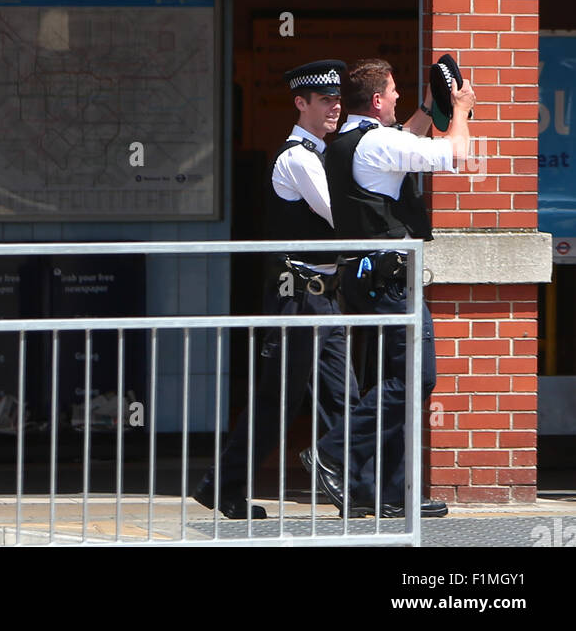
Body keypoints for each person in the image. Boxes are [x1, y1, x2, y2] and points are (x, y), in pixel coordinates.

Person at [303, 57, 474, 520]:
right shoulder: (378, 142)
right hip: (390, 282)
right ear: (377, 101)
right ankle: (332, 452)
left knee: (388, 382)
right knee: (417, 378)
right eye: (395, 92)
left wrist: (424, 107)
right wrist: (458, 109)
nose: (398, 97)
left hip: (365, 281)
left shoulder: (350, 142)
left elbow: (403, 143)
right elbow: (455, 156)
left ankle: (383, 491)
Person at [193, 60, 360, 520]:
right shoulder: (299, 158)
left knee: (343, 396)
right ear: (301, 103)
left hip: (326, 295)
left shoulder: (325, 154)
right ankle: (221, 486)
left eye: (337, 99)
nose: (334, 107)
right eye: (324, 100)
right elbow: (339, 217)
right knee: (278, 401)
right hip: (299, 296)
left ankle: (354, 485)